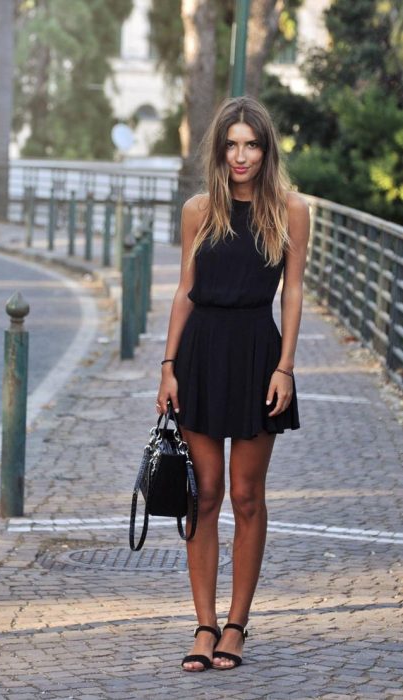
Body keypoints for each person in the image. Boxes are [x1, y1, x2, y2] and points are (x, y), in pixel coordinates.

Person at [155, 95, 310, 672]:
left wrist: (285, 366)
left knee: (247, 497)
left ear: (266, 151)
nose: (241, 155)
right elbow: (183, 291)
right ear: (219, 150)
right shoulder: (199, 210)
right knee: (206, 494)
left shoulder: (289, 210)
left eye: (251, 144)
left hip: (256, 356)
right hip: (200, 355)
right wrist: (168, 367)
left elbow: (292, 292)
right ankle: (203, 624)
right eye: (231, 145)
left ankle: (237, 625)